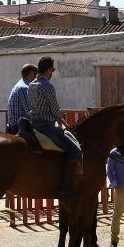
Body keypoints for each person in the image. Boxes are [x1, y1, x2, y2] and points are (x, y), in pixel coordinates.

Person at [28, 56, 82, 200]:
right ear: (48, 70)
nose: (52, 72)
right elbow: (55, 109)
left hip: (34, 124)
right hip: (46, 126)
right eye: (52, 69)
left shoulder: (31, 84)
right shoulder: (48, 86)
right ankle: (65, 187)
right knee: (75, 150)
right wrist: (62, 121)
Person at [6, 63, 38, 134]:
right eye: (36, 75)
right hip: (19, 127)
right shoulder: (24, 88)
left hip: (13, 125)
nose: (37, 78)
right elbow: (30, 112)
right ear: (31, 73)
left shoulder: (19, 85)